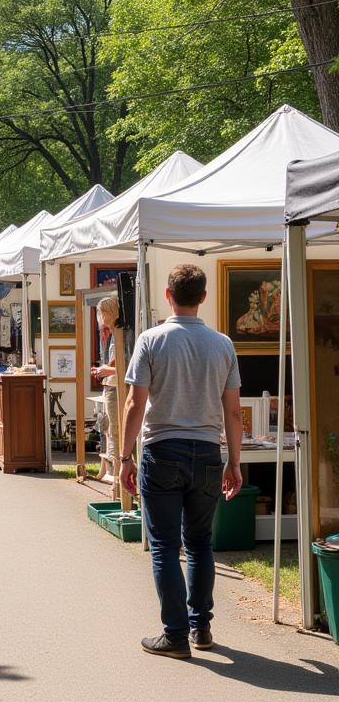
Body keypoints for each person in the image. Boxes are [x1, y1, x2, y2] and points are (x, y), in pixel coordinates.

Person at [121, 264, 243, 659]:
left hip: (162, 450)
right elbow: (234, 412)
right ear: (203, 297)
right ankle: (200, 627)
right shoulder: (222, 344)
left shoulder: (151, 340)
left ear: (168, 295)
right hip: (207, 452)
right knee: (200, 543)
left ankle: (174, 635)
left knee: (164, 546)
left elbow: (135, 403)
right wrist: (234, 462)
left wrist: (125, 457)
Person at [91, 296, 120, 486]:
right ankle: (116, 473)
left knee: (115, 430)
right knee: (110, 430)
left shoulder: (119, 334)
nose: (100, 317)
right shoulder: (111, 335)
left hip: (116, 387)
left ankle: (118, 477)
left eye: (102, 312)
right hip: (111, 385)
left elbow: (124, 363)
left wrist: (105, 370)